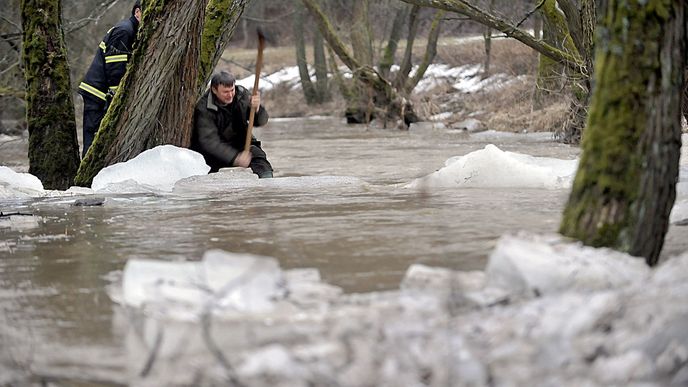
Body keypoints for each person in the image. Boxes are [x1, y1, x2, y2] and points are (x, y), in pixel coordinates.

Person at [78, 1, 142, 157]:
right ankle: (86, 178)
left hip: (100, 91)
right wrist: (116, 94)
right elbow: (115, 66)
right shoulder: (124, 30)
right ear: (137, 12)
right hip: (97, 93)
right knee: (93, 139)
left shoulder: (130, 30)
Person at [191, 71, 274, 178]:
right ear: (214, 90)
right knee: (209, 167)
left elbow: (261, 121)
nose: (230, 95)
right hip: (214, 150)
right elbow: (209, 141)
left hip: (240, 143)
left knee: (259, 157)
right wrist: (235, 158)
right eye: (225, 92)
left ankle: (267, 184)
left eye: (232, 90)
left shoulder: (242, 95)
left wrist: (257, 109)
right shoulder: (204, 107)